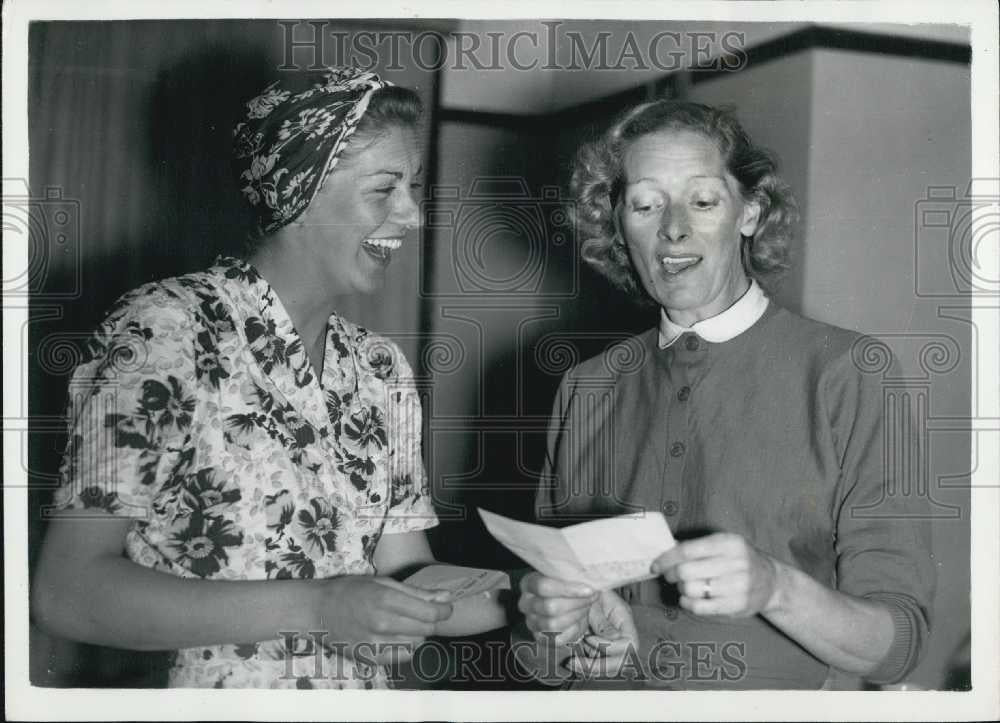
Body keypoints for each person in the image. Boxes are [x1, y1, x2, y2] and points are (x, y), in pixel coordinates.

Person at [32, 67, 506, 689]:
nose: (412, 215)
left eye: (411, 188)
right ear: (301, 191)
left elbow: (408, 577)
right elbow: (69, 593)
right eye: (385, 189)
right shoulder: (165, 331)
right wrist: (319, 606)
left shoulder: (381, 368)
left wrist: (528, 601)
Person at [517, 100, 935, 689]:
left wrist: (775, 586)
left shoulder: (848, 373)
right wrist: (552, 632)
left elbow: (897, 645)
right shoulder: (587, 387)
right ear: (617, 224)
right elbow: (548, 655)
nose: (673, 228)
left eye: (703, 200)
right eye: (645, 204)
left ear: (750, 213)